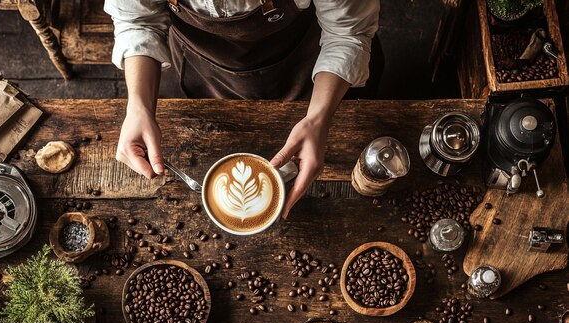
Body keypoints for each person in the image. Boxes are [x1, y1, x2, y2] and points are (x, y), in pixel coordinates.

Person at [105, 0, 380, 218]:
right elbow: (138, 21)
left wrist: (319, 118)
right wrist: (138, 107)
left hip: (305, 67)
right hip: (203, 73)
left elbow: (347, 34)